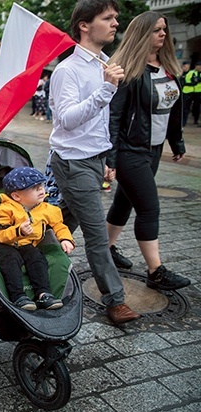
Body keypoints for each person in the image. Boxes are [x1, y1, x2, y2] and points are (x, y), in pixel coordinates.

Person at [48, 0, 140, 324]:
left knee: (61, 225)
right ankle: (115, 301)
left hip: (91, 160)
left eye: (115, 17)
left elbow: (99, 123)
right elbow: (68, 120)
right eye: (108, 18)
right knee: (98, 235)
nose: (116, 22)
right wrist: (106, 89)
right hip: (73, 163)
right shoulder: (67, 70)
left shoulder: (103, 64)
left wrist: (105, 157)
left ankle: (35, 260)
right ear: (84, 25)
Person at [105, 11, 190, 291]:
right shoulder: (129, 71)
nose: (163, 34)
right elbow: (114, 118)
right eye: (156, 30)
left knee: (124, 201)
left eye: (164, 29)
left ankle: (106, 249)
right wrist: (111, 159)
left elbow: (174, 110)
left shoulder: (167, 68)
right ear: (142, 34)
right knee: (149, 208)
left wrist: (176, 143)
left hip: (152, 150)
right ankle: (156, 271)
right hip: (131, 150)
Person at [0, 167, 75, 310]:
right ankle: (18, 296)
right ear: (16, 196)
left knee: (36, 255)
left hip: (26, 244)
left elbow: (59, 225)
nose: (41, 189)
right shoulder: (4, 211)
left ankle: (44, 293)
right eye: (34, 187)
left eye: (41, 185)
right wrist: (17, 231)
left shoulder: (46, 209)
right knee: (11, 257)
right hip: (0, 245)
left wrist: (65, 239)